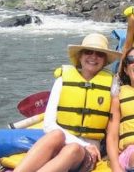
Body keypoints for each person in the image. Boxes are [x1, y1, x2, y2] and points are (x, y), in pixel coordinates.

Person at [15, 33, 122, 172]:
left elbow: (114, 127)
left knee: (73, 149)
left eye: (99, 54)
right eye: (88, 52)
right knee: (56, 134)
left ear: (105, 60)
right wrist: (81, 142)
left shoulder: (113, 85)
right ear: (80, 56)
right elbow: (48, 125)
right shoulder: (62, 81)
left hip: (88, 152)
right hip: (63, 142)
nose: (93, 57)